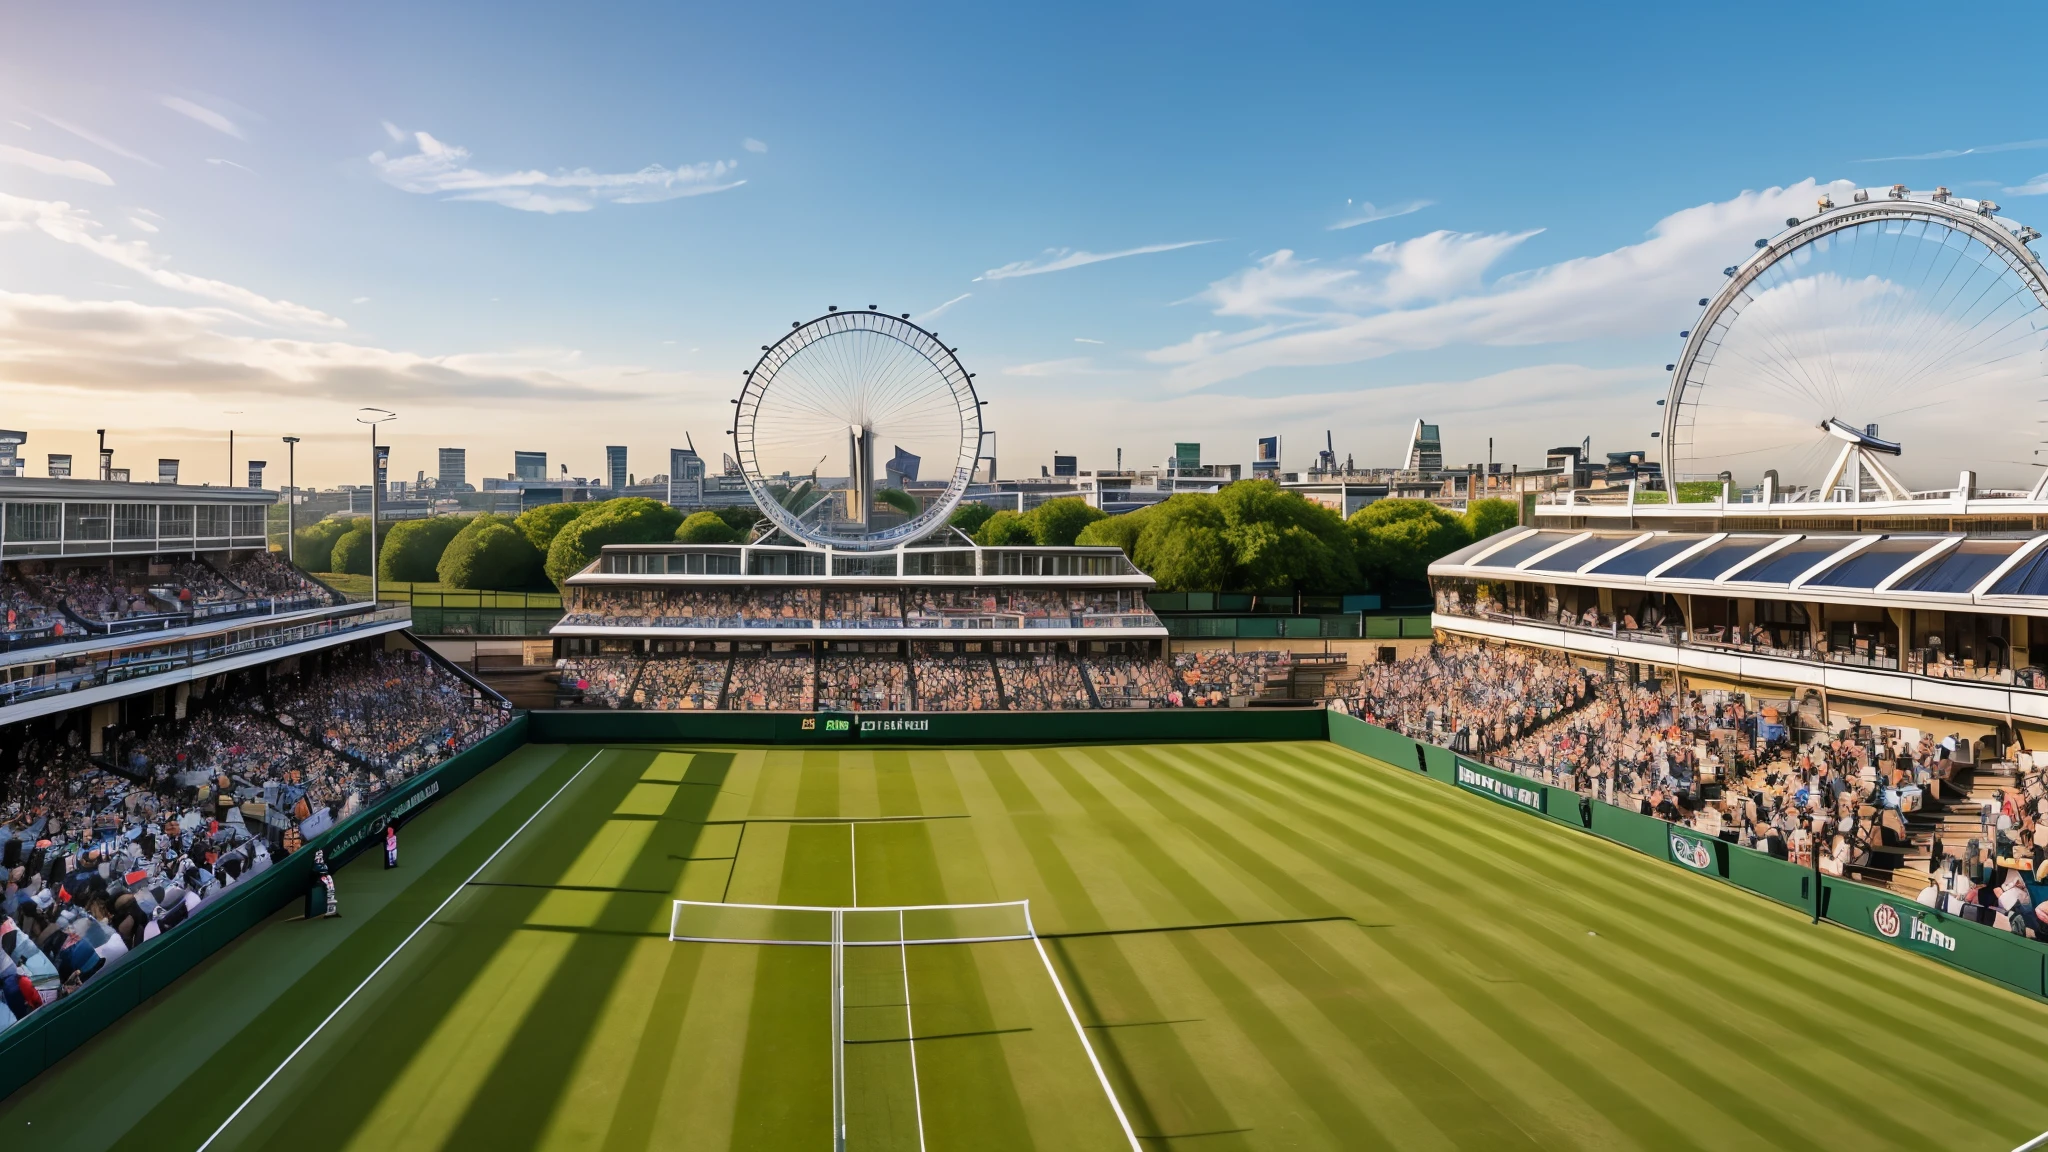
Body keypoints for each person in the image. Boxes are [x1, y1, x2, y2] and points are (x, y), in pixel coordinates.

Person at [306, 849, 338, 919]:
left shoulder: (324, 865)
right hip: (318, 878)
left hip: (323, 876)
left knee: (331, 889)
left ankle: (331, 910)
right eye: (318, 856)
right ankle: (330, 910)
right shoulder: (316, 866)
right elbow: (315, 871)